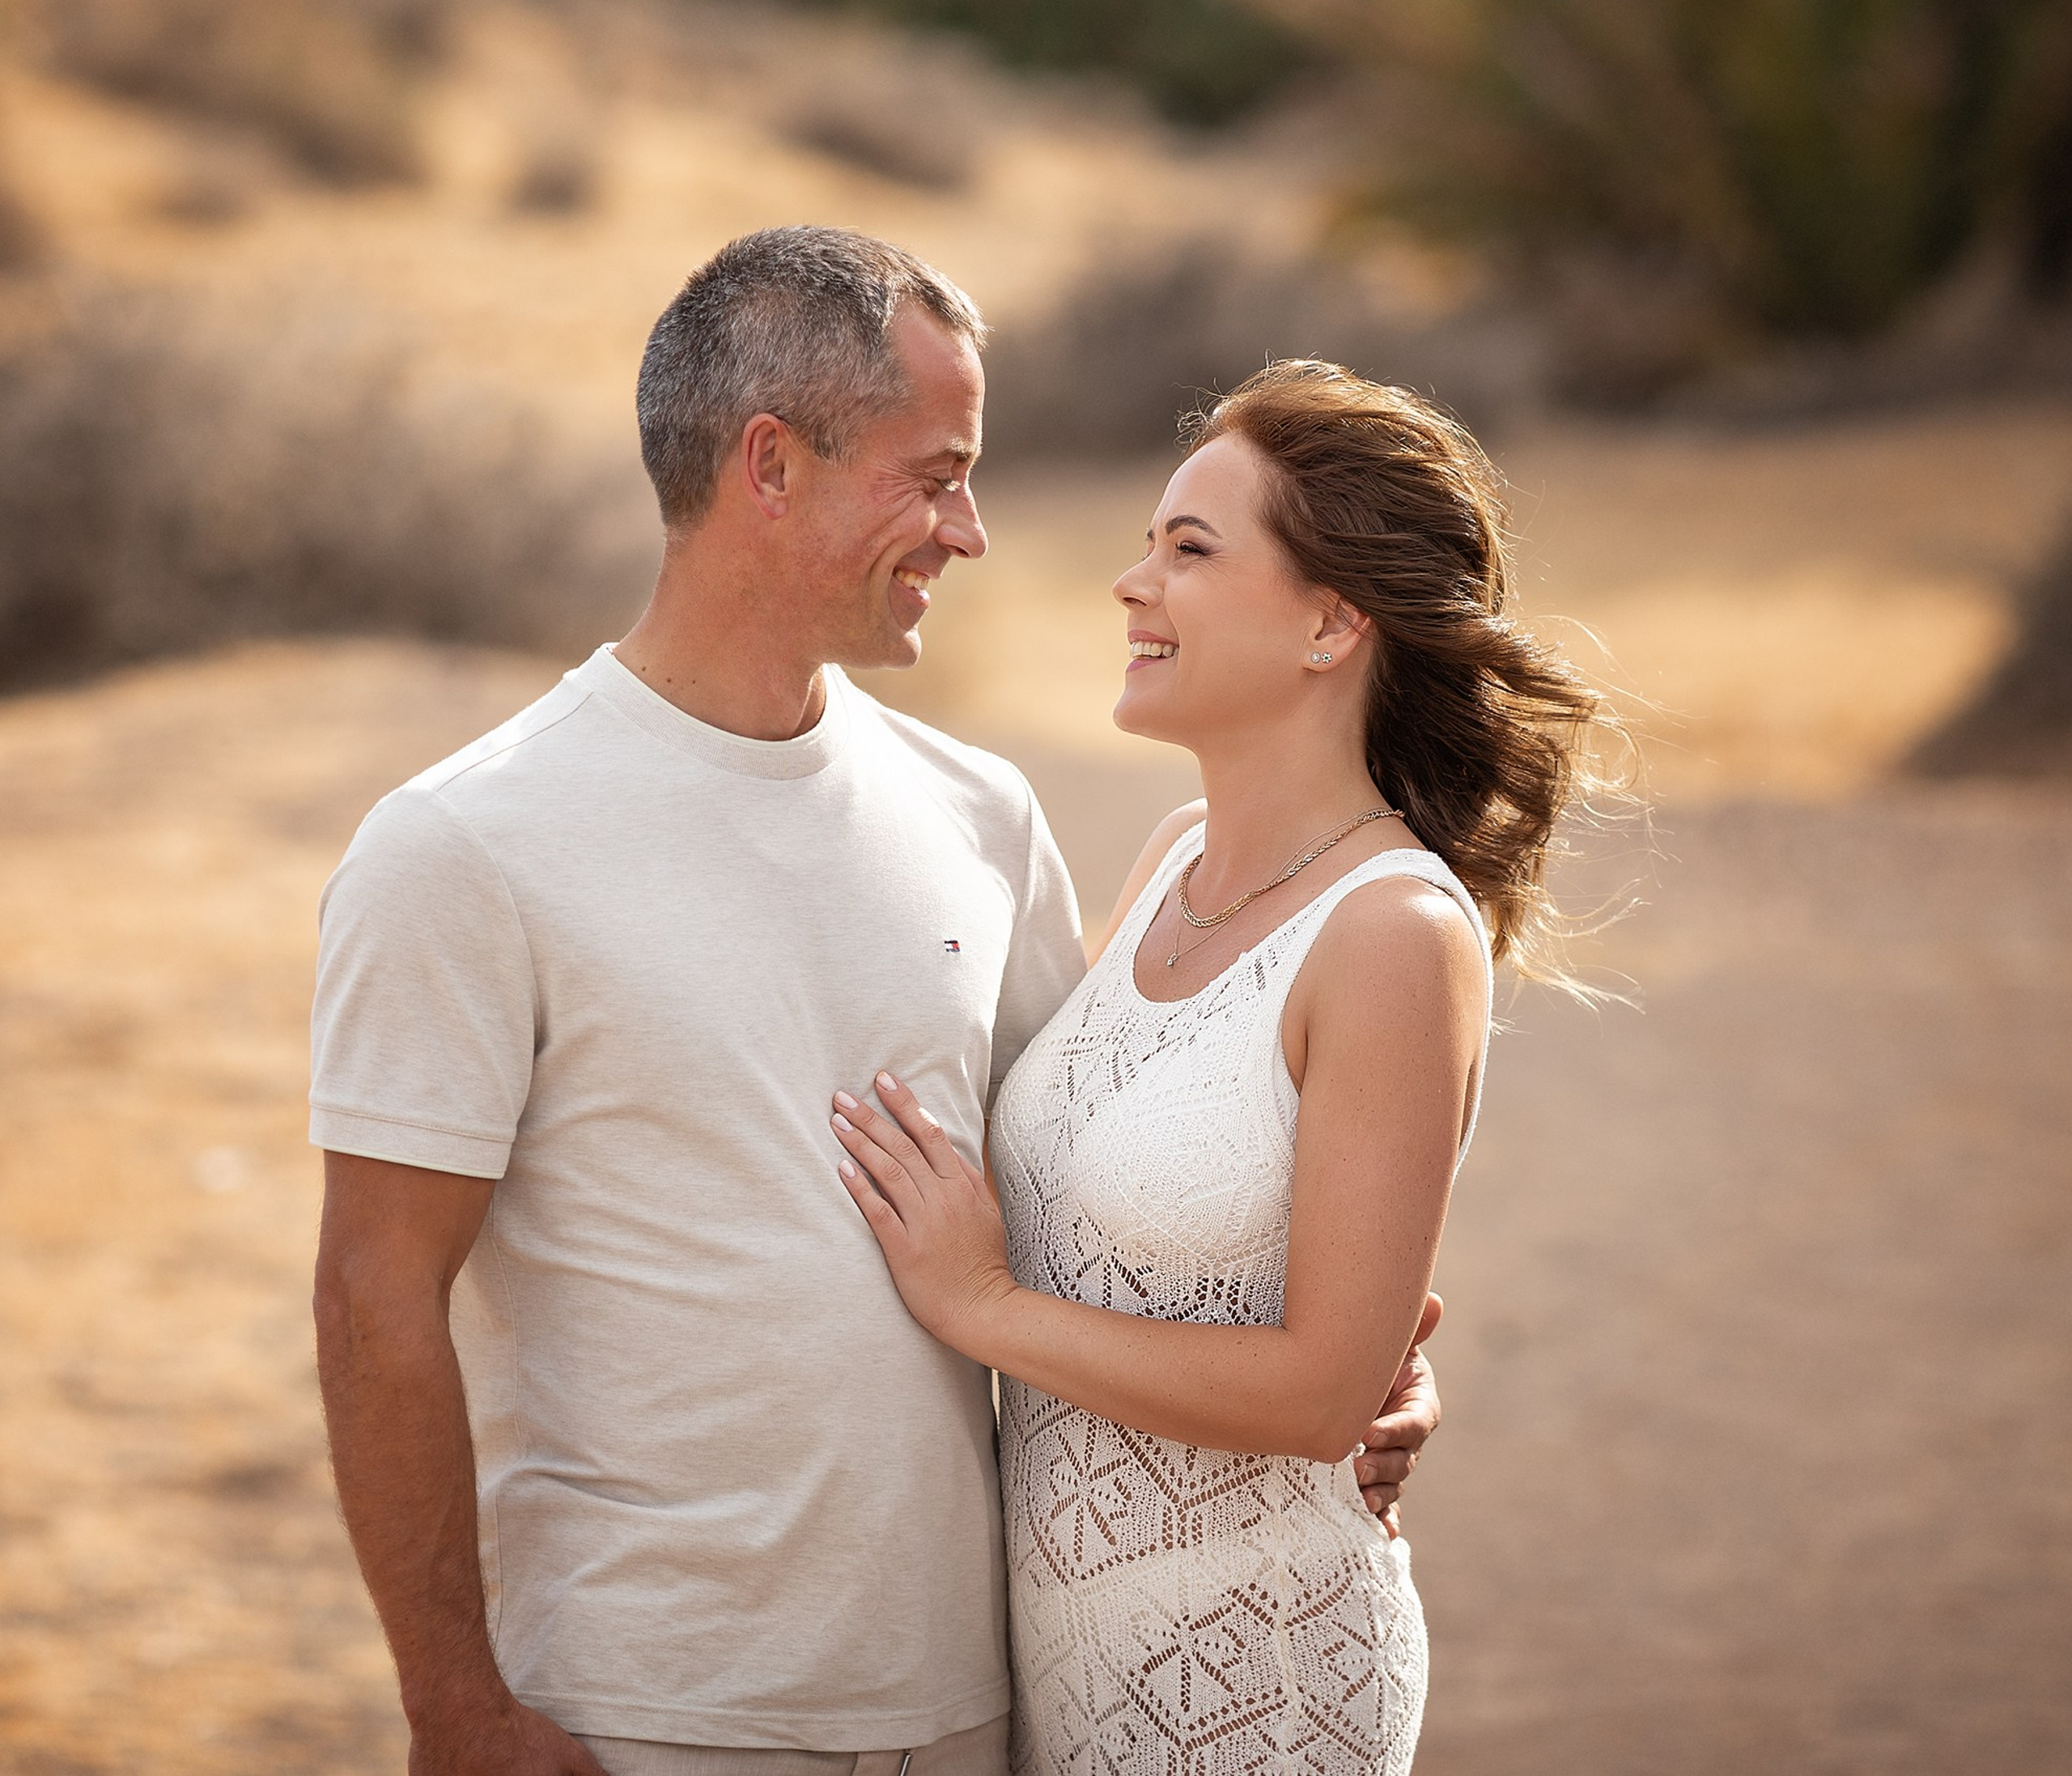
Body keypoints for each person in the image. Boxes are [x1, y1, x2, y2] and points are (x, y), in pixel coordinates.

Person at [309, 229, 1442, 1776]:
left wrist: (1351, 1362)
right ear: (768, 466)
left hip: (977, 1700)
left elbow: (1087, 1199)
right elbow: (375, 1301)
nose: (968, 531)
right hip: (651, 1713)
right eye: (935, 473)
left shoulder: (983, 816)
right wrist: (454, 1707)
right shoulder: (465, 845)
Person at [832, 360, 1619, 1774]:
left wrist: (984, 1307)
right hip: (1057, 1656)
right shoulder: (1164, 871)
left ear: (1331, 622)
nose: (1133, 585)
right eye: (1148, 545)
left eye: (1189, 551)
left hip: (1256, 1673)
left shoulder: (1393, 931)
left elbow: (1325, 1393)